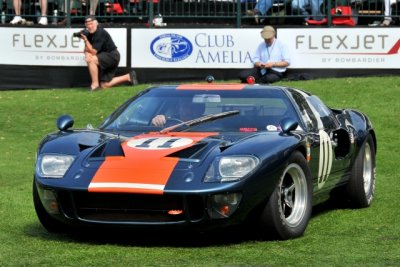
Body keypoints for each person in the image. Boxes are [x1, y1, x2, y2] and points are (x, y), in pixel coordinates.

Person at [79, 15, 138, 91]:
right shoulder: (90, 35)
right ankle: (128, 77)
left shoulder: (100, 32)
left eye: (91, 24)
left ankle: (95, 86)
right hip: (104, 57)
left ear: (96, 23)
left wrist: (86, 41)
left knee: (91, 59)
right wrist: (86, 44)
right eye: (87, 25)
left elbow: (93, 52)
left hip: (112, 55)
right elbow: (86, 50)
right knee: (104, 85)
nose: (90, 26)